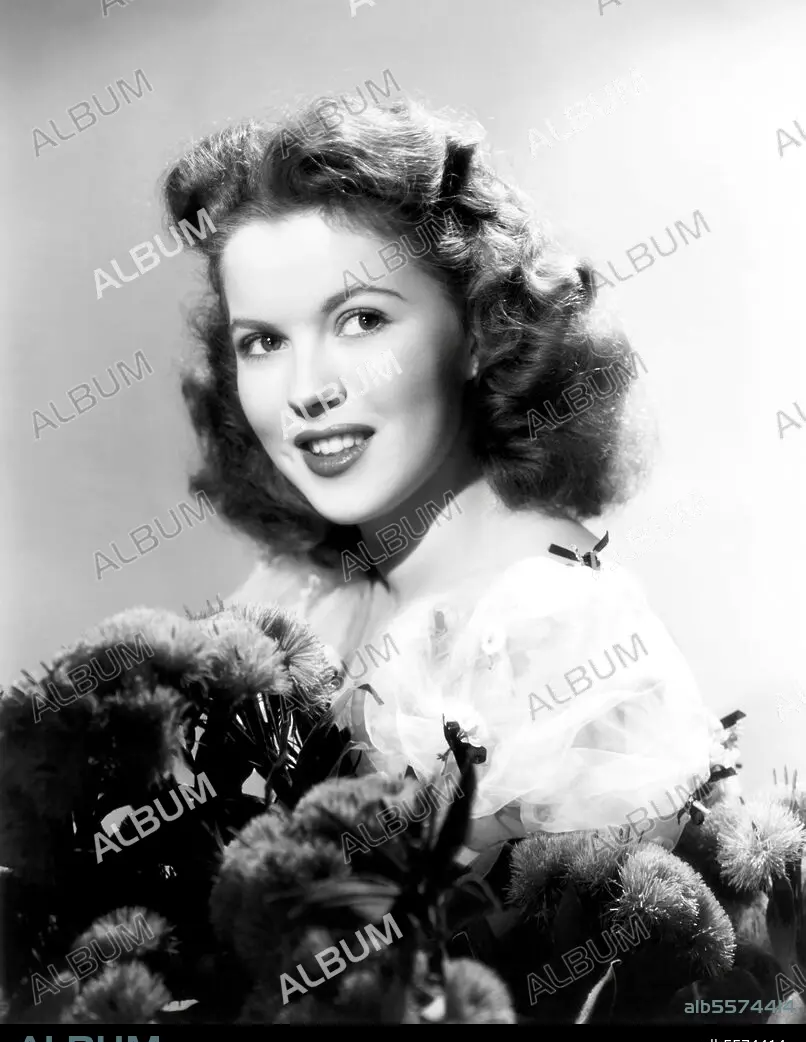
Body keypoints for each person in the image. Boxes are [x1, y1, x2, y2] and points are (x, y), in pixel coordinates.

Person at [161, 94, 734, 870]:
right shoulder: (300, 597)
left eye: (361, 320)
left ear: (478, 331)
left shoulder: (554, 637)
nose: (307, 390)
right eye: (263, 341)